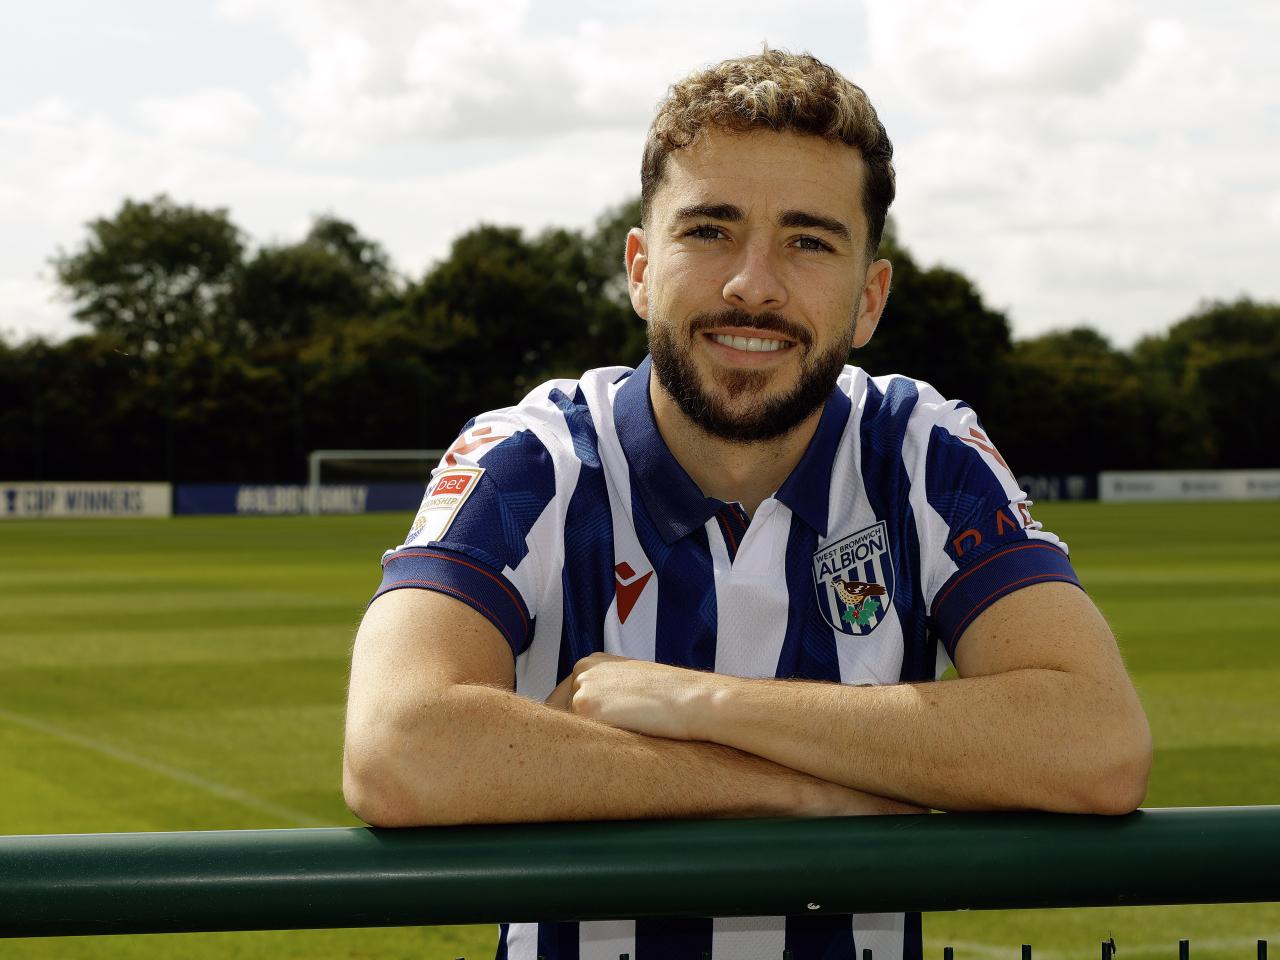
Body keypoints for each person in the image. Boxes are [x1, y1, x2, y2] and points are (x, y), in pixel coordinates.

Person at [343, 48, 1151, 960]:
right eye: (710, 231)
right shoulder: (531, 458)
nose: (752, 285)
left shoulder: (921, 449)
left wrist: (703, 702)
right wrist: (791, 790)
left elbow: (1095, 743)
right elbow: (397, 748)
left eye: (809, 241)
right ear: (642, 268)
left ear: (868, 300)